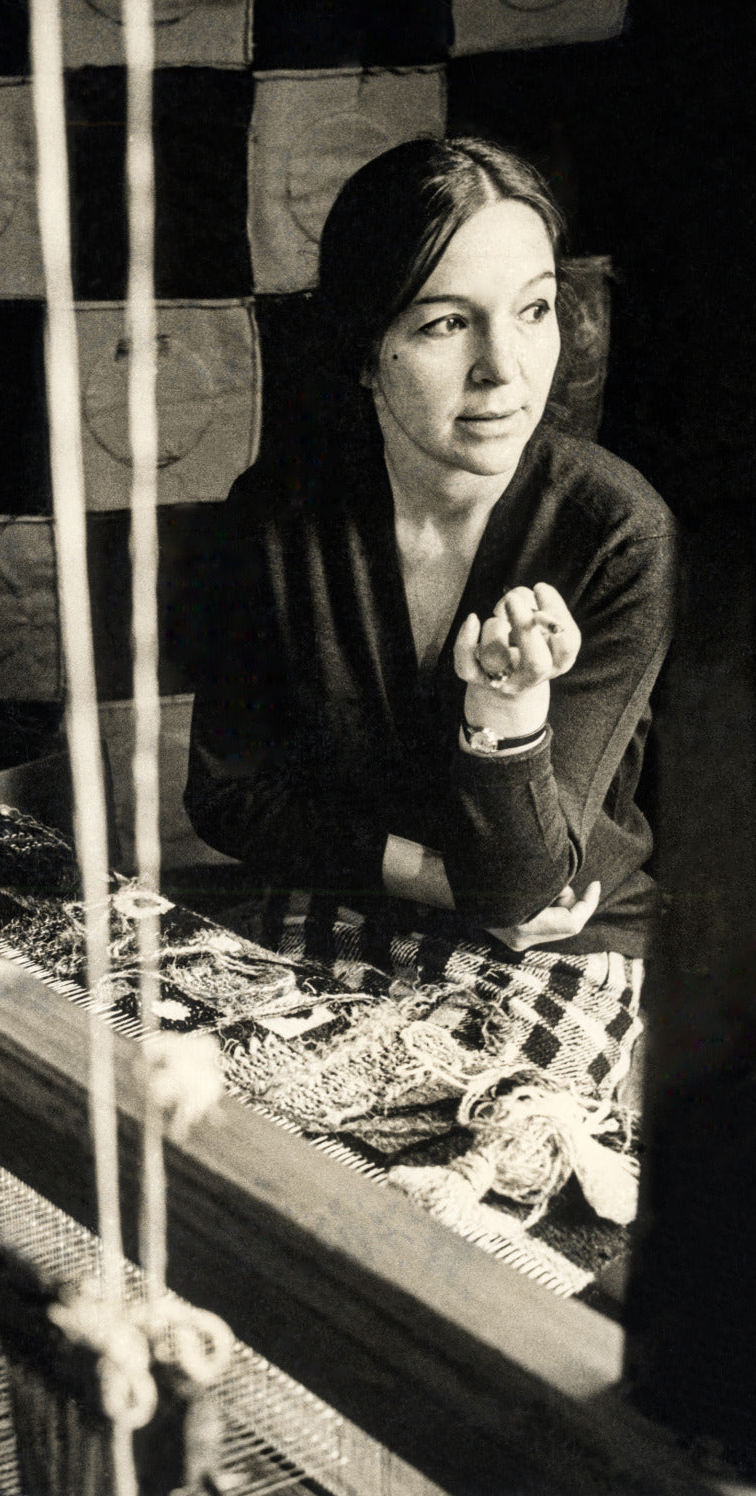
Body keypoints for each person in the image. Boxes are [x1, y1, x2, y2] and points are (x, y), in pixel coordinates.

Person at [184, 136, 676, 964]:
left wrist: (508, 716)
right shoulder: (278, 515)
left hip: (561, 949)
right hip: (345, 913)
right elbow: (227, 796)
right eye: (448, 322)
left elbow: (524, 891)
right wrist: (430, 876)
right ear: (366, 350)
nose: (504, 370)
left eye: (533, 309)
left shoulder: (618, 533)